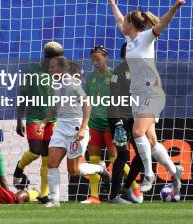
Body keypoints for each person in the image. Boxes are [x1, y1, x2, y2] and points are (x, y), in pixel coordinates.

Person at [108, 0, 185, 195]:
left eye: (125, 20)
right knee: (150, 142)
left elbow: (162, 24)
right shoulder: (130, 39)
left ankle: (149, 174)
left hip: (152, 91)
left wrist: (176, 7)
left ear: (131, 24)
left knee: (137, 132)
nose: (121, 22)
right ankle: (174, 170)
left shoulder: (146, 37)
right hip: (137, 95)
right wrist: (113, 4)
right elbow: (118, 19)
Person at [39, 56, 111, 208]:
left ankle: (100, 169)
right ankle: (54, 200)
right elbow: (54, 108)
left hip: (75, 129)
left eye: (53, 67)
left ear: (62, 69)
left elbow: (87, 104)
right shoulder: (54, 85)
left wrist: (84, 128)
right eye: (50, 67)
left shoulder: (72, 83)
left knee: (74, 171)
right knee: (52, 163)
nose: (50, 70)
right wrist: (44, 122)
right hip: (60, 129)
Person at [14, 41, 63, 203]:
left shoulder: (59, 73)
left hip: (52, 120)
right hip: (35, 117)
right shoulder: (32, 72)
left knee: (47, 158)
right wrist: (19, 119)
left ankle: (44, 194)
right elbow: (22, 97)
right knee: (35, 151)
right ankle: (19, 167)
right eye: (58, 57)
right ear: (49, 57)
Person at [107, 43, 144, 204]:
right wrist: (117, 121)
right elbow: (113, 97)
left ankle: (126, 188)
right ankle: (114, 196)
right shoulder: (119, 72)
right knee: (123, 155)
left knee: (143, 153)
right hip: (119, 118)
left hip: (133, 118)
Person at [82, 46, 117, 204]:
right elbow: (87, 101)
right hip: (94, 123)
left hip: (110, 123)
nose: (95, 62)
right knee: (94, 161)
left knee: (117, 160)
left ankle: (134, 187)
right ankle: (94, 196)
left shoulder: (115, 76)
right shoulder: (90, 78)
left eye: (98, 59)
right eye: (92, 59)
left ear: (106, 57)